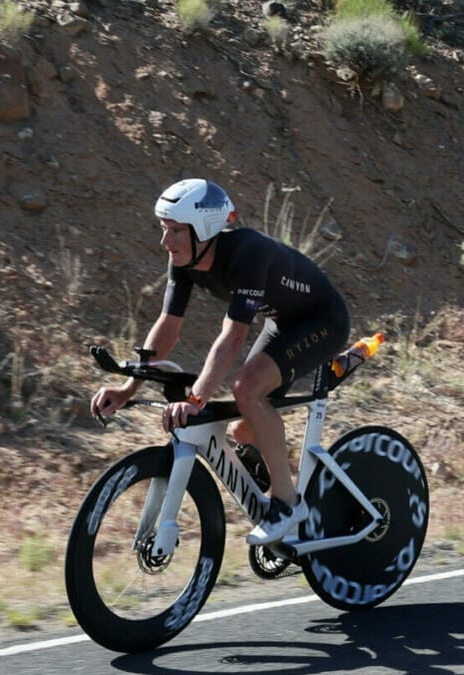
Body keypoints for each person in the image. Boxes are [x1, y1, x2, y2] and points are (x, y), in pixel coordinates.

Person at [90, 178, 350, 545]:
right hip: (283, 322)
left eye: (176, 231)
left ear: (204, 229)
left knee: (247, 389)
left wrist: (195, 400)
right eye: (165, 229)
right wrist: (127, 387)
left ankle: (287, 503)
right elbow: (168, 325)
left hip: (323, 321)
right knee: (243, 432)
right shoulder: (184, 260)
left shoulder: (248, 253)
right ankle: (288, 507)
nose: (166, 241)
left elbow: (233, 337)